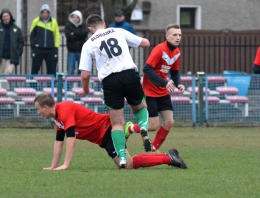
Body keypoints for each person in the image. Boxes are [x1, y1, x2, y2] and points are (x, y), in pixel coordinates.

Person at [34, 92, 187, 170]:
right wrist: (54, 166)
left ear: (46, 107)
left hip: (106, 129)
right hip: (103, 136)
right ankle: (128, 129)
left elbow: (71, 139)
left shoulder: (65, 109)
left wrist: (66, 164)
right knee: (128, 164)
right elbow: (58, 142)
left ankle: (169, 157)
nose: (38, 113)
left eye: (38, 109)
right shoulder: (58, 118)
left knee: (128, 164)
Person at [79, 14, 151, 168]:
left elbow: (85, 74)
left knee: (117, 123)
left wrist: (85, 89)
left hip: (110, 80)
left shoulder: (88, 44)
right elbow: (145, 43)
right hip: (129, 74)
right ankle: (143, 126)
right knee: (140, 107)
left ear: (90, 29)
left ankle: (122, 157)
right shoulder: (118, 31)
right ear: (104, 24)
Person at [125, 24, 185, 153]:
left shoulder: (177, 52)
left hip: (163, 92)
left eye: (179, 35)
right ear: (167, 36)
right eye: (174, 35)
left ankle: (152, 150)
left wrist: (179, 83)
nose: (178, 37)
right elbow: (147, 69)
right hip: (150, 92)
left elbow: (174, 72)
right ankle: (129, 128)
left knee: (169, 122)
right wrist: (164, 82)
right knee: (153, 126)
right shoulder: (159, 49)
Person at [30, 4, 60, 75]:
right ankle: (33, 85)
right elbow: (32, 35)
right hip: (38, 49)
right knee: (35, 68)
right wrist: (33, 47)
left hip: (50, 49)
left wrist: (55, 47)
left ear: (49, 13)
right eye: (43, 12)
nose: (45, 14)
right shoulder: (35, 21)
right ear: (41, 12)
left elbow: (57, 35)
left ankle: (51, 85)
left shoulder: (54, 22)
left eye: (47, 12)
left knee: (51, 69)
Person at [64, 10, 89, 75]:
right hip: (71, 51)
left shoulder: (83, 25)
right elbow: (69, 37)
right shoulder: (68, 26)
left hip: (81, 52)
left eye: (77, 17)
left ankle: (81, 85)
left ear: (80, 18)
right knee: (70, 71)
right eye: (74, 17)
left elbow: (85, 34)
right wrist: (79, 34)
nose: (75, 19)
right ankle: (69, 85)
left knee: (81, 71)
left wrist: (74, 33)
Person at [0, 9, 24, 74]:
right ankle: (3, 84)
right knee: (1, 74)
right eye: (4, 16)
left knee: (8, 72)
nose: (6, 18)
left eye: (7, 16)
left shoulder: (16, 28)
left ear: (10, 16)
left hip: (12, 56)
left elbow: (21, 42)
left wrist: (18, 53)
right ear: (2, 18)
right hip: (1, 56)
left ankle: (2, 84)